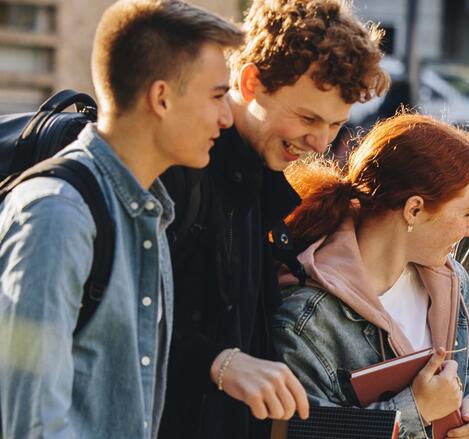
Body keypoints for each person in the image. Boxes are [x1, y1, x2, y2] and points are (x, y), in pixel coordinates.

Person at [0, 1, 241, 437]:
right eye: (218, 96)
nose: (226, 118)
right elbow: (28, 424)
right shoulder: (57, 216)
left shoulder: (152, 213)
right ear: (161, 97)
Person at [158, 1, 390, 437]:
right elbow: (126, 322)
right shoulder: (178, 171)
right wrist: (219, 363)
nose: (319, 141)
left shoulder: (259, 187)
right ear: (250, 82)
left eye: (336, 125)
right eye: (307, 117)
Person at [271, 113, 469, 439]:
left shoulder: (451, 279)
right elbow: (296, 432)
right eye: (467, 212)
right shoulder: (307, 317)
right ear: (414, 209)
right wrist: (416, 410)